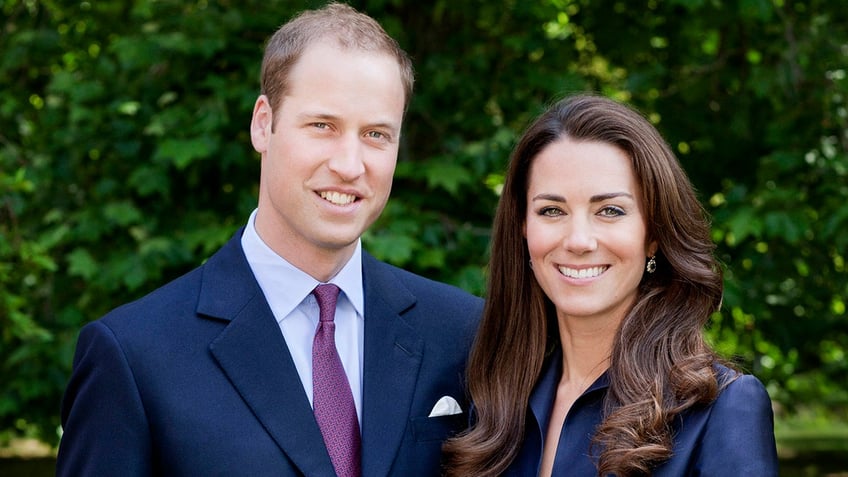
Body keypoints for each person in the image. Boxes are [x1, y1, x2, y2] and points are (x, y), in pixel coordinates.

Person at [57, 3, 482, 476]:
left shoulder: (462, 333)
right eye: (323, 125)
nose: (349, 163)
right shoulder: (134, 357)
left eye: (376, 134)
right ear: (264, 123)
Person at [442, 94, 779, 476]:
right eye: (552, 210)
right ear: (523, 228)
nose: (579, 240)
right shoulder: (493, 404)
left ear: (653, 233)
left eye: (610, 211)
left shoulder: (722, 408)